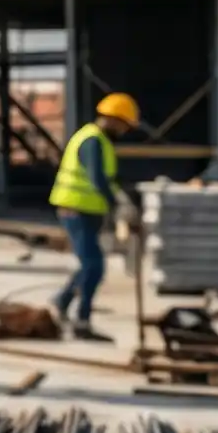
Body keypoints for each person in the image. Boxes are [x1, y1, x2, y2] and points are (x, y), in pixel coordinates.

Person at [50, 92, 141, 340]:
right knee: (94, 266)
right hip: (77, 210)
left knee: (89, 265)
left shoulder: (97, 139)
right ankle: (81, 321)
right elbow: (96, 178)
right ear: (114, 119)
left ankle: (62, 301)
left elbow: (107, 179)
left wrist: (120, 197)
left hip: (86, 211)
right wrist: (117, 204)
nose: (124, 131)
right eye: (124, 125)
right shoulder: (93, 141)